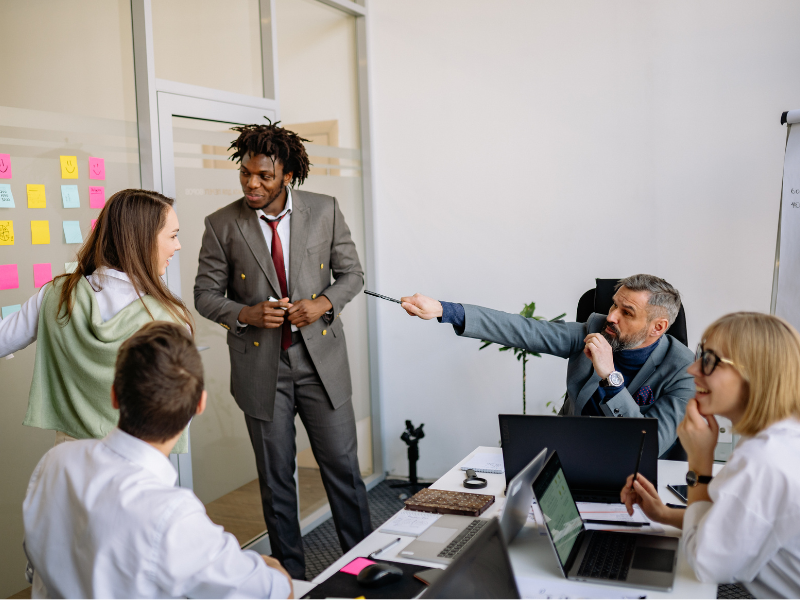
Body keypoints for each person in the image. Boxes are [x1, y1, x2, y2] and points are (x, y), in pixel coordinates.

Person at [194, 121, 371, 579]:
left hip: (321, 365)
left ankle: (364, 569)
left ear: (287, 175)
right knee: (276, 481)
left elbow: (352, 275)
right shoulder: (221, 225)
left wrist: (324, 303)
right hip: (262, 371)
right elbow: (204, 295)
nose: (253, 184)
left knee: (344, 471)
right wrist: (246, 314)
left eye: (264, 177)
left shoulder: (325, 210)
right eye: (246, 174)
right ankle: (290, 579)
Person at [23, 321, 293, 599]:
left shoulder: (56, 462)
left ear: (114, 395)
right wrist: (265, 563)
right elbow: (275, 590)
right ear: (200, 404)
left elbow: (35, 563)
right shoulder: (173, 517)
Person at [401, 274, 695, 455]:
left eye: (626, 312)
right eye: (613, 305)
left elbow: (650, 443)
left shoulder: (684, 370)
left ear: (658, 327)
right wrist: (444, 310)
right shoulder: (592, 332)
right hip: (572, 451)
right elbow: (523, 330)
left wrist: (610, 376)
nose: (612, 317)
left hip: (634, 473)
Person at [620, 312, 800, 599]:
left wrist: (700, 460)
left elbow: (707, 563)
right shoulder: (780, 438)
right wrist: (665, 514)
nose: (693, 370)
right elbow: (733, 527)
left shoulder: (764, 460)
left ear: (755, 372)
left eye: (710, 360)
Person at [0, 189, 193, 452]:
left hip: (70, 458)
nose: (178, 246)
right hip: (138, 456)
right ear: (143, 240)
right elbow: (179, 406)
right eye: (173, 236)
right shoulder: (168, 318)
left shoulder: (57, 296)